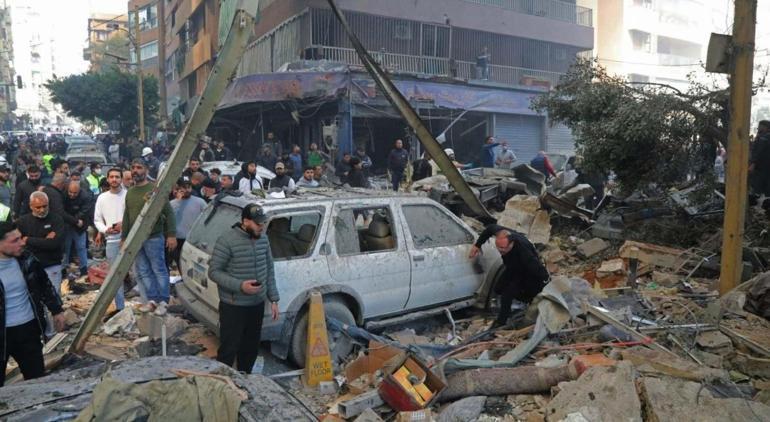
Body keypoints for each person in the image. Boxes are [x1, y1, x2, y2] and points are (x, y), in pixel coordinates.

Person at [208, 204, 279, 373]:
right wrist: (240, 286)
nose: (261, 227)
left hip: (256, 305)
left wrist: (274, 299)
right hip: (234, 306)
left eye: (263, 223)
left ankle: (245, 379)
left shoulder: (263, 239)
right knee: (229, 348)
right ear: (245, 221)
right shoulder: (227, 240)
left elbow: (269, 268)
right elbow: (214, 272)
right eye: (257, 224)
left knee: (250, 348)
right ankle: (223, 383)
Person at [0, 221, 65, 386]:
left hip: (28, 328)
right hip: (2, 332)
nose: (22, 243)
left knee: (36, 378)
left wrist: (57, 310)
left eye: (20, 237)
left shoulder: (27, 259)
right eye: (15, 240)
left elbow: (44, 285)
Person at [122, 159, 177, 316]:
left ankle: (163, 301)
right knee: (143, 270)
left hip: (154, 237)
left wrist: (171, 235)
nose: (135, 170)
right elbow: (127, 216)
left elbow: (169, 213)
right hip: (136, 239)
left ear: (146, 170)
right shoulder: (130, 192)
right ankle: (152, 300)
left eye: (139, 167)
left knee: (159, 269)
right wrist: (124, 237)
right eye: (133, 167)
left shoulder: (154, 189)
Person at [469, 225, 549, 328]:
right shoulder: (499, 231)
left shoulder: (524, 253)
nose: (500, 251)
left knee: (508, 293)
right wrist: (477, 245)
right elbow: (488, 230)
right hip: (511, 266)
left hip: (524, 271)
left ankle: (502, 321)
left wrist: (546, 284)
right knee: (498, 288)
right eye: (498, 247)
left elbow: (538, 270)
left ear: (511, 244)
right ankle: (501, 308)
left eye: (503, 248)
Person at [17, 191, 66, 337]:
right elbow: (19, 244)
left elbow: (55, 244)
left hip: (52, 265)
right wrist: (44, 240)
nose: (42, 210)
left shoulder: (56, 219)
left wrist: (29, 239)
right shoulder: (23, 222)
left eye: (45, 206)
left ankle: (53, 333)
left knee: (53, 298)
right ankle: (43, 332)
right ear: (31, 206)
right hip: (31, 268)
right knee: (36, 300)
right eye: (38, 207)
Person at [93, 168, 127, 310]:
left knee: (138, 271)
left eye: (117, 177)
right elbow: (97, 220)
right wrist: (105, 230)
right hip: (112, 240)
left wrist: (123, 224)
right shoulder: (102, 198)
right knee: (115, 276)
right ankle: (120, 307)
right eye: (111, 177)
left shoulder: (128, 195)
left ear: (121, 179)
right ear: (107, 179)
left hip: (129, 237)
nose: (114, 179)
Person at [170, 178, 207, 270]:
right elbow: (169, 219)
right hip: (177, 240)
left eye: (188, 187)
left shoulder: (200, 202)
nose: (186, 190)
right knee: (180, 265)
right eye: (183, 187)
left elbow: (207, 218)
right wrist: (178, 201)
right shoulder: (172, 204)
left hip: (194, 240)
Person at [63, 181, 93, 277]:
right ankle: (64, 268)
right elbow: (61, 210)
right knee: (65, 247)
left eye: (75, 193)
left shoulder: (85, 196)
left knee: (81, 247)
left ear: (79, 190)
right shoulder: (64, 194)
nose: (72, 195)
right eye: (70, 192)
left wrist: (74, 220)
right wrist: (74, 220)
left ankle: (84, 269)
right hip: (68, 223)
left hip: (80, 224)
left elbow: (85, 211)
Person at [750, 120, 770, 196]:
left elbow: (759, 151)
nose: (758, 128)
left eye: (760, 126)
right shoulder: (763, 136)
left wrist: (753, 163)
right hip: (765, 166)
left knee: (758, 187)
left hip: (761, 166)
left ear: (766, 127)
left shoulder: (764, 137)